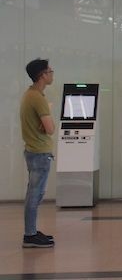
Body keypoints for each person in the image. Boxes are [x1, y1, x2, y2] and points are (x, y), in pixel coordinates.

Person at [20, 58, 56, 248]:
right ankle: (30, 235)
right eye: (50, 71)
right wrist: (48, 114)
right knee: (35, 194)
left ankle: (31, 231)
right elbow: (50, 129)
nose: (52, 74)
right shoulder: (38, 98)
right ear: (42, 75)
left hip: (32, 150)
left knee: (34, 193)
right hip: (40, 153)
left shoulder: (29, 94)